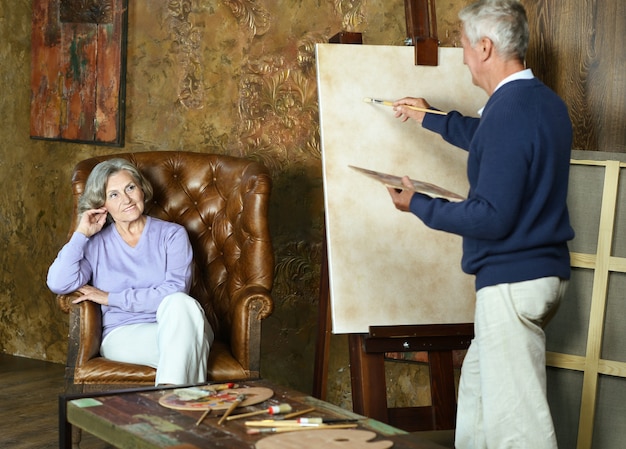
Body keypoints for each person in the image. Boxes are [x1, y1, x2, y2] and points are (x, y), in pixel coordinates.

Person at [387, 1, 574, 448]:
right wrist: (428, 116)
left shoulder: (509, 111)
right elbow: (489, 139)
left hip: (512, 280)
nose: (463, 55)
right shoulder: (539, 103)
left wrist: (419, 204)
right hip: (537, 273)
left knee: (517, 423)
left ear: (485, 47)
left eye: (464, 45)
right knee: (478, 395)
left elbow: (492, 217)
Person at [47, 158, 214, 386]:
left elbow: (174, 291)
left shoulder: (172, 235)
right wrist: (81, 233)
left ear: (141, 189)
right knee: (188, 348)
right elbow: (58, 282)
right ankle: (177, 409)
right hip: (124, 334)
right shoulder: (95, 244)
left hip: (181, 323)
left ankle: (170, 409)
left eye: (130, 188)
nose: (126, 199)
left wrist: (110, 298)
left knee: (180, 304)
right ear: (102, 204)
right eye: (114, 194)